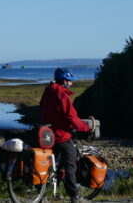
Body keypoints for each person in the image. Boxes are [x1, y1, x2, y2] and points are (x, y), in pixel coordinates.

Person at [40, 68, 91, 203]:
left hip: (48, 135)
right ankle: (75, 196)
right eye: (70, 81)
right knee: (70, 164)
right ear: (64, 81)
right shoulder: (62, 95)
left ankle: (41, 194)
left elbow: (42, 108)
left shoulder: (48, 92)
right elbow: (71, 117)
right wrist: (85, 128)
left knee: (49, 165)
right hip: (61, 135)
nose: (71, 84)